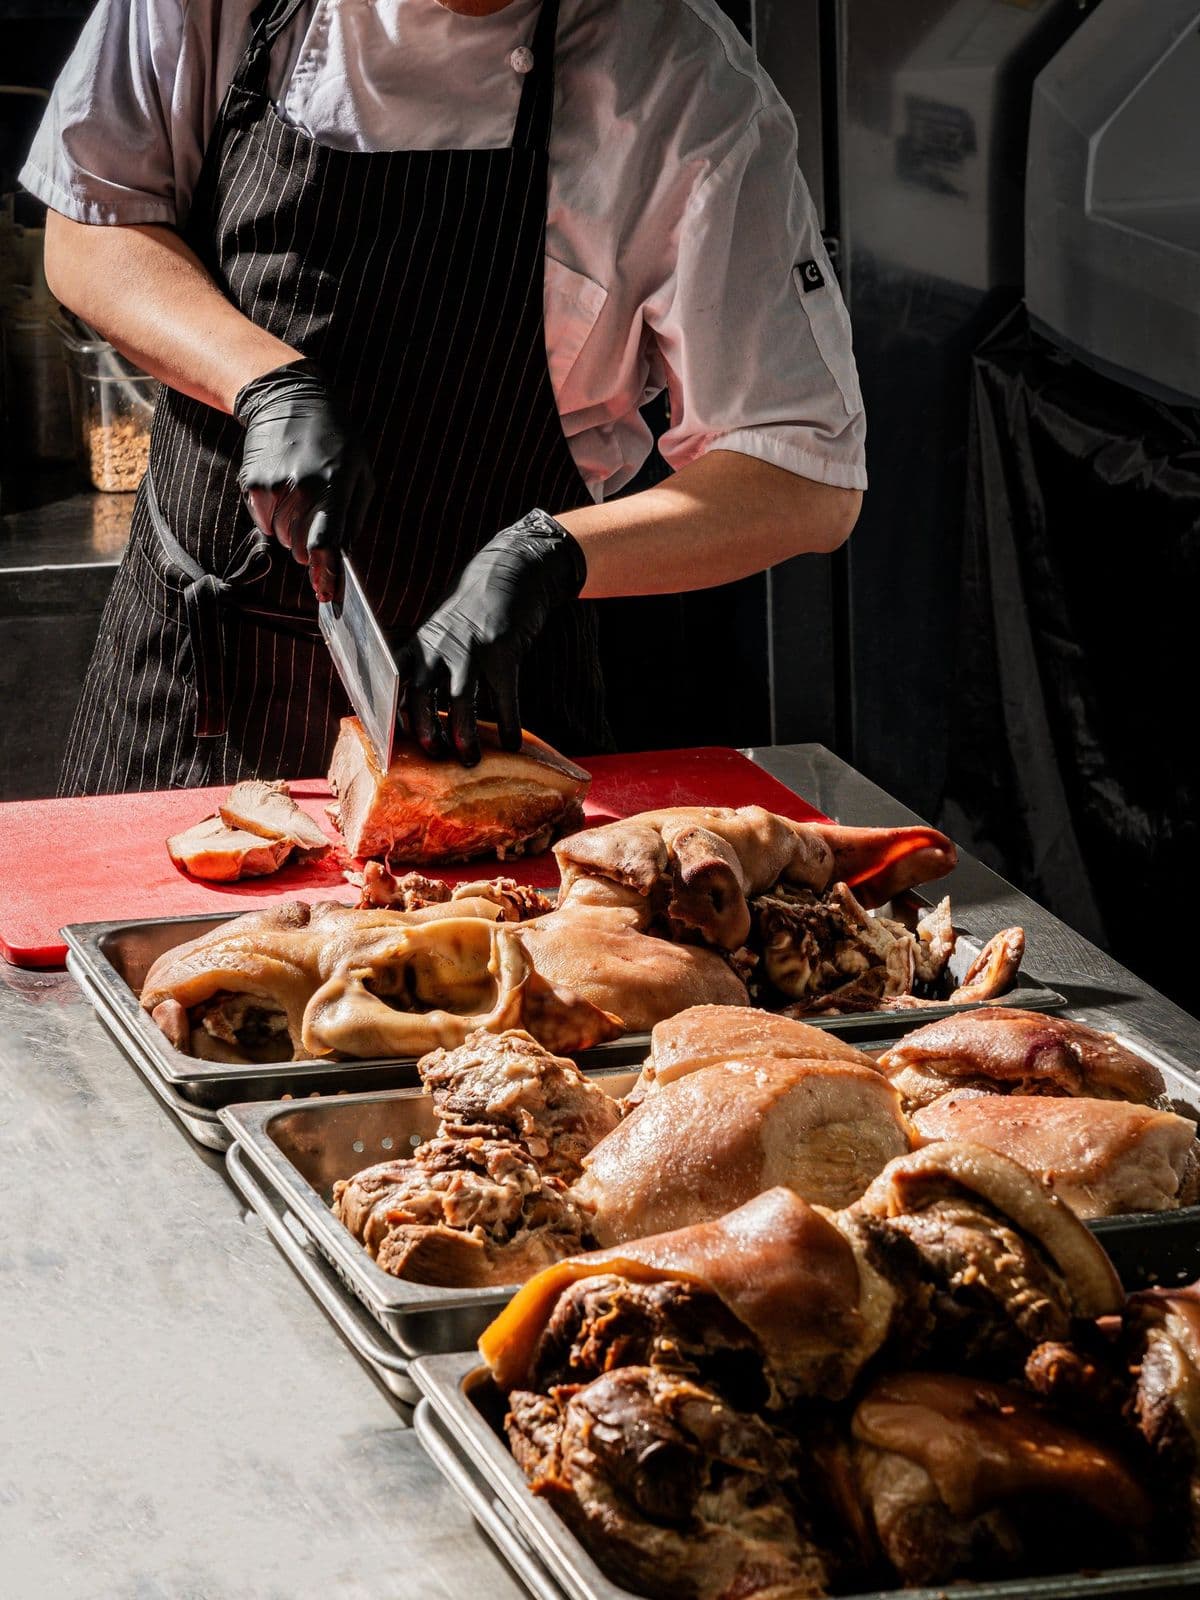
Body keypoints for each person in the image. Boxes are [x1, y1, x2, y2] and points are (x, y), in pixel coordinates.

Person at [25, 0, 866, 787]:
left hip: (487, 733)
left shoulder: (686, 90)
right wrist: (261, 380)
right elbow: (94, 224)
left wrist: (551, 557)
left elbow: (799, 473)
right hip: (188, 695)